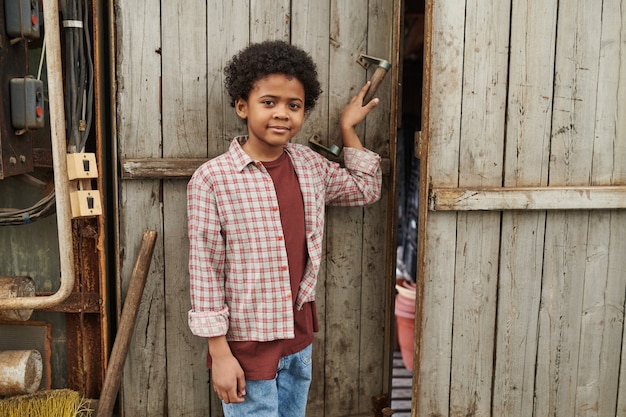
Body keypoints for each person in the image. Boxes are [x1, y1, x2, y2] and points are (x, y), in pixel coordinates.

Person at [187, 39, 382, 417]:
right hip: (247, 343)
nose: (282, 114)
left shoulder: (308, 165)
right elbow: (205, 270)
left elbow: (365, 187)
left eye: (293, 106)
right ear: (243, 106)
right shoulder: (212, 180)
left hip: (298, 336)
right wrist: (219, 351)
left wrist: (347, 127)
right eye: (269, 102)